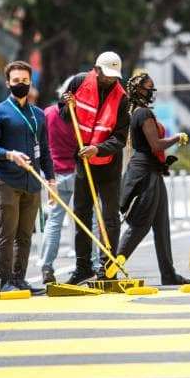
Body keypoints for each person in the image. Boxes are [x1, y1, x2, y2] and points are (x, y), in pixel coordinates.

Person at [0, 60, 54, 294]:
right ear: (7, 83)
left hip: (32, 183)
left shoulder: (38, 115)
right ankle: (5, 282)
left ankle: (20, 279)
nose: (20, 84)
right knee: (7, 232)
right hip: (7, 181)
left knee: (25, 234)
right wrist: (9, 155)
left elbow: (45, 149)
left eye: (24, 81)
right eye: (16, 81)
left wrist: (51, 180)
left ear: (30, 82)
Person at [116, 71, 190, 285]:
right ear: (139, 90)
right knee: (141, 224)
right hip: (145, 174)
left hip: (153, 172)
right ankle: (111, 266)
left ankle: (168, 274)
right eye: (149, 87)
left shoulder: (141, 113)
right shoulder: (143, 114)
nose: (152, 91)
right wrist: (177, 137)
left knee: (161, 224)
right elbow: (156, 145)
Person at [61, 52, 130, 285]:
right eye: (107, 75)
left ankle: (108, 267)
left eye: (115, 76)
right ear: (96, 70)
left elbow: (120, 137)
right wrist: (66, 105)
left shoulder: (122, 97)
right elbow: (65, 115)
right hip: (83, 162)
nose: (111, 80)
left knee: (110, 217)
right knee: (81, 214)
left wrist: (98, 149)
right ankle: (82, 267)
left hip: (108, 164)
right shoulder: (79, 82)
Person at [40, 76, 79, 285]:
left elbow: (41, 143)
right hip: (78, 173)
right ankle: (90, 263)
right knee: (88, 220)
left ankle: (47, 265)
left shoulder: (48, 113)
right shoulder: (78, 115)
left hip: (55, 174)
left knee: (54, 222)